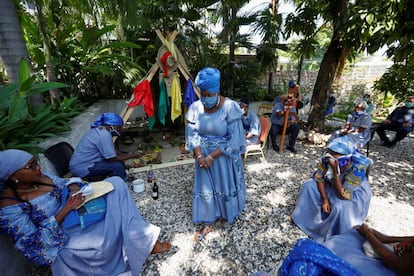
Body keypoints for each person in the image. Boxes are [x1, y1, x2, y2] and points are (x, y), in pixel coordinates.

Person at [0, 149, 171, 275]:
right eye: (30, 166)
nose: (37, 168)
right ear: (12, 176)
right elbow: (33, 245)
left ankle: (140, 239)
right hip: (62, 234)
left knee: (116, 183)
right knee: (117, 207)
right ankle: (142, 242)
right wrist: (66, 209)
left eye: (36, 162)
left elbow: (65, 182)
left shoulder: (40, 179)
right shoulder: (9, 207)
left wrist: (74, 189)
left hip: (75, 212)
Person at [185, 67, 246, 241]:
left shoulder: (230, 107)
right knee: (205, 187)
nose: (205, 98)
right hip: (202, 156)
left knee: (223, 185)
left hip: (222, 156)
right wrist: (199, 156)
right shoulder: (196, 107)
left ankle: (227, 212)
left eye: (208, 94)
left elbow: (235, 139)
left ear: (216, 91)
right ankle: (208, 218)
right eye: (202, 94)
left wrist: (212, 156)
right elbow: (192, 133)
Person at [291, 135, 372, 242]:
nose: (331, 159)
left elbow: (342, 195)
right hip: (332, 183)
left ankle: (332, 235)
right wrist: (324, 199)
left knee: (339, 206)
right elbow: (320, 178)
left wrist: (335, 171)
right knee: (309, 186)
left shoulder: (358, 168)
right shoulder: (328, 159)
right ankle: (302, 218)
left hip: (351, 192)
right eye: (330, 153)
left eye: (335, 156)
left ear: (347, 158)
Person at [69, 112, 142, 181]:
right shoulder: (104, 135)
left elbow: (113, 151)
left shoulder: (101, 130)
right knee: (117, 166)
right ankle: (122, 183)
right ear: (112, 127)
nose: (121, 130)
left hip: (83, 163)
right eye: (119, 128)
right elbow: (111, 158)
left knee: (120, 161)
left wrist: (127, 155)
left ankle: (120, 175)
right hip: (82, 168)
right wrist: (131, 156)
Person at [322, 224, 414, 275]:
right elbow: (387, 239)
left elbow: (398, 265)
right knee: (355, 233)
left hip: (396, 267)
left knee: (344, 261)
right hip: (397, 258)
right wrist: (371, 232)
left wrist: (368, 235)